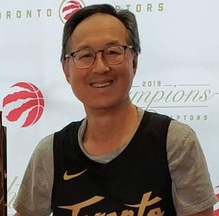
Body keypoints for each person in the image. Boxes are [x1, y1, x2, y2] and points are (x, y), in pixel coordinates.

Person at [13, 4, 217, 216]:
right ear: (67, 70)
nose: (100, 67)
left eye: (112, 52)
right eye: (85, 55)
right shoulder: (50, 153)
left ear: (134, 61)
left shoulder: (174, 142)